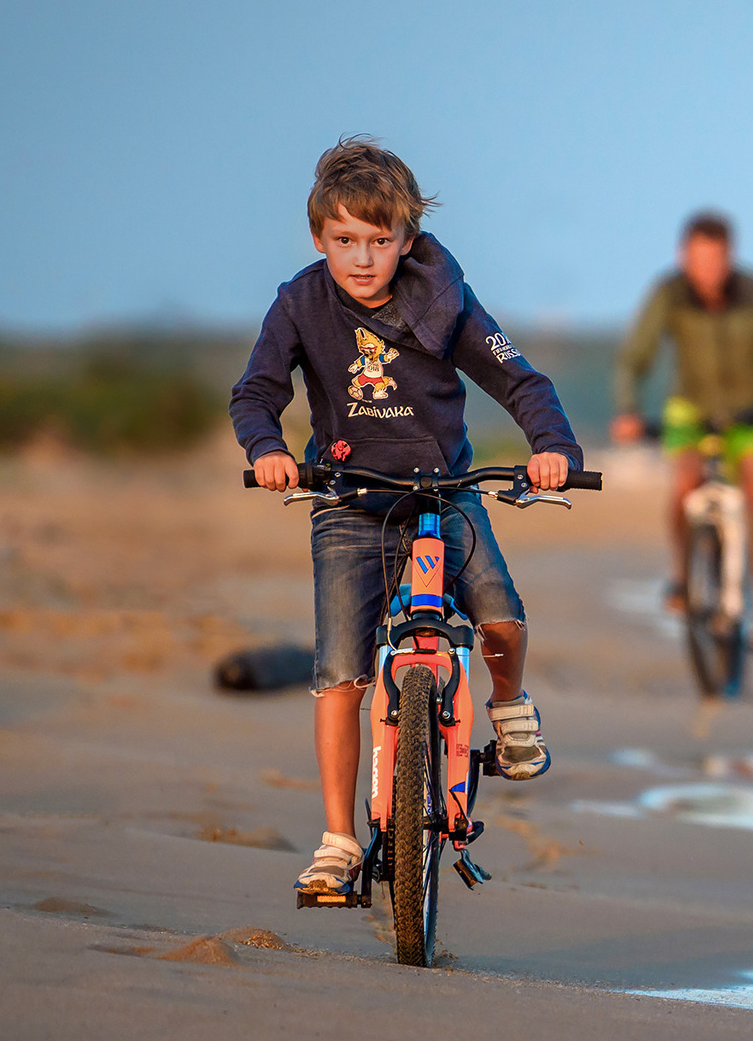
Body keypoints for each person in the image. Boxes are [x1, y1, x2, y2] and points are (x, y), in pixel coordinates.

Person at [232, 137, 580, 897]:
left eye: (379, 242)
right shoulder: (299, 303)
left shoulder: (444, 299)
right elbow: (256, 392)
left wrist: (551, 445)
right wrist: (268, 448)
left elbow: (520, 380)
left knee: (499, 616)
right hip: (348, 499)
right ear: (319, 238)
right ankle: (336, 840)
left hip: (444, 492)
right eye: (344, 241)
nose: (362, 259)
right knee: (339, 674)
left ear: (407, 240)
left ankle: (511, 704)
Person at [610, 211, 753, 653]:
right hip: (689, 412)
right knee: (684, 487)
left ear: (730, 257)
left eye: (716, 260)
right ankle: (682, 578)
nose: (708, 270)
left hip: (750, 413)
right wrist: (627, 408)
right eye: (699, 259)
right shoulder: (669, 292)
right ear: (683, 256)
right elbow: (635, 355)